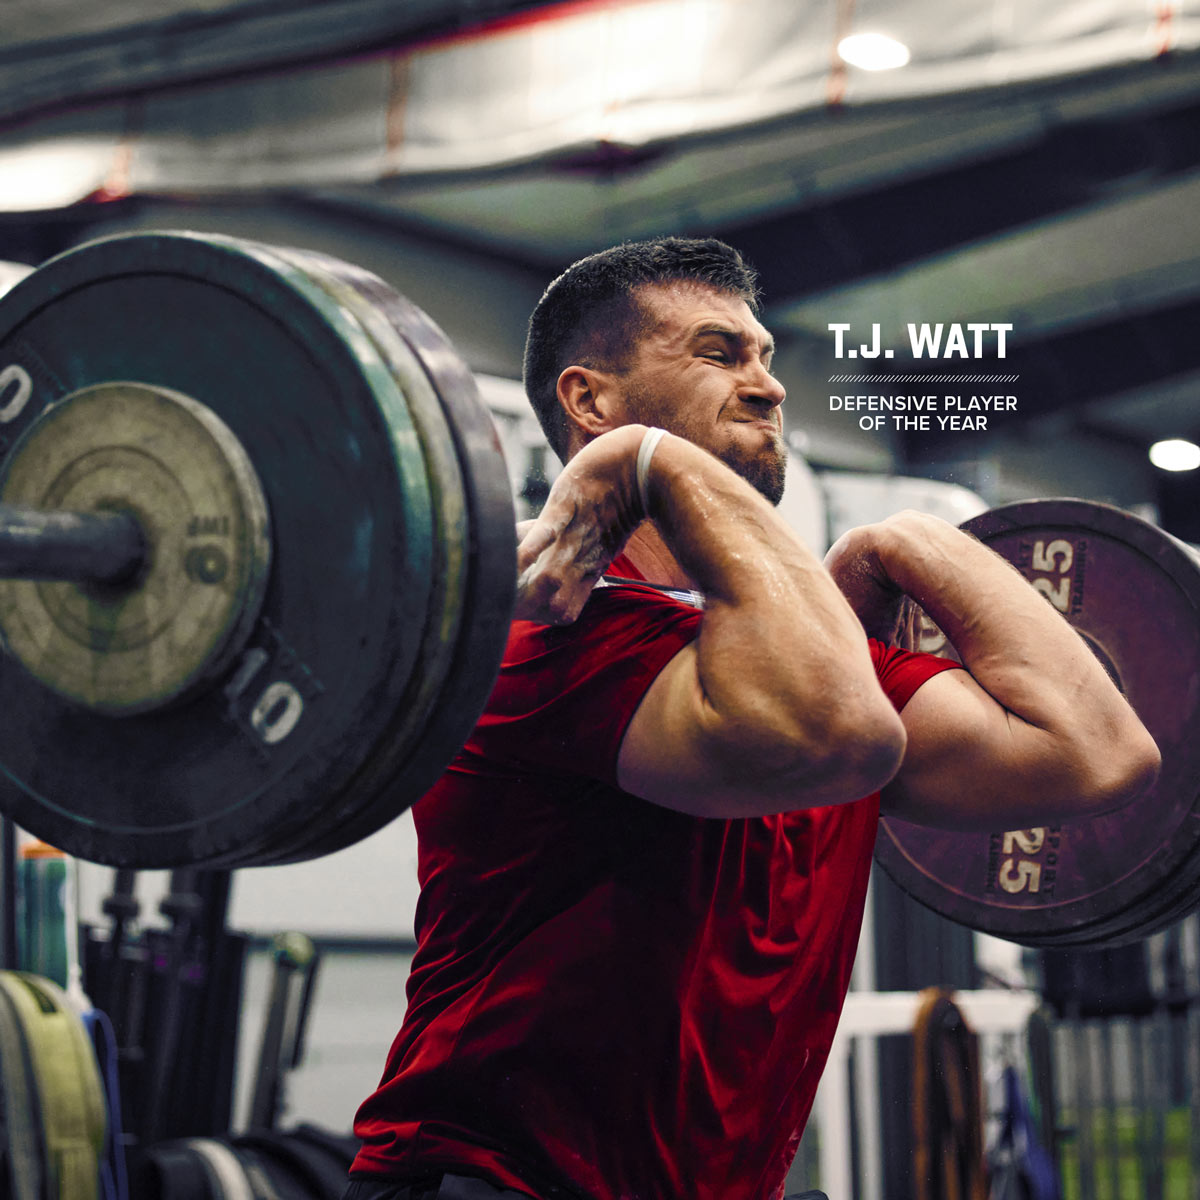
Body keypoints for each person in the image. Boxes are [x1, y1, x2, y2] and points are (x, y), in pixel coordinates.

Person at [344, 238, 1159, 1200]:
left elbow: (1099, 752)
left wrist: (916, 540)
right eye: (719, 352)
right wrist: (643, 462)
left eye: (767, 357)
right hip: (495, 1184)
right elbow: (831, 736)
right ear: (588, 400)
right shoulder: (533, 647)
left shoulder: (820, 670)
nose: (768, 386)